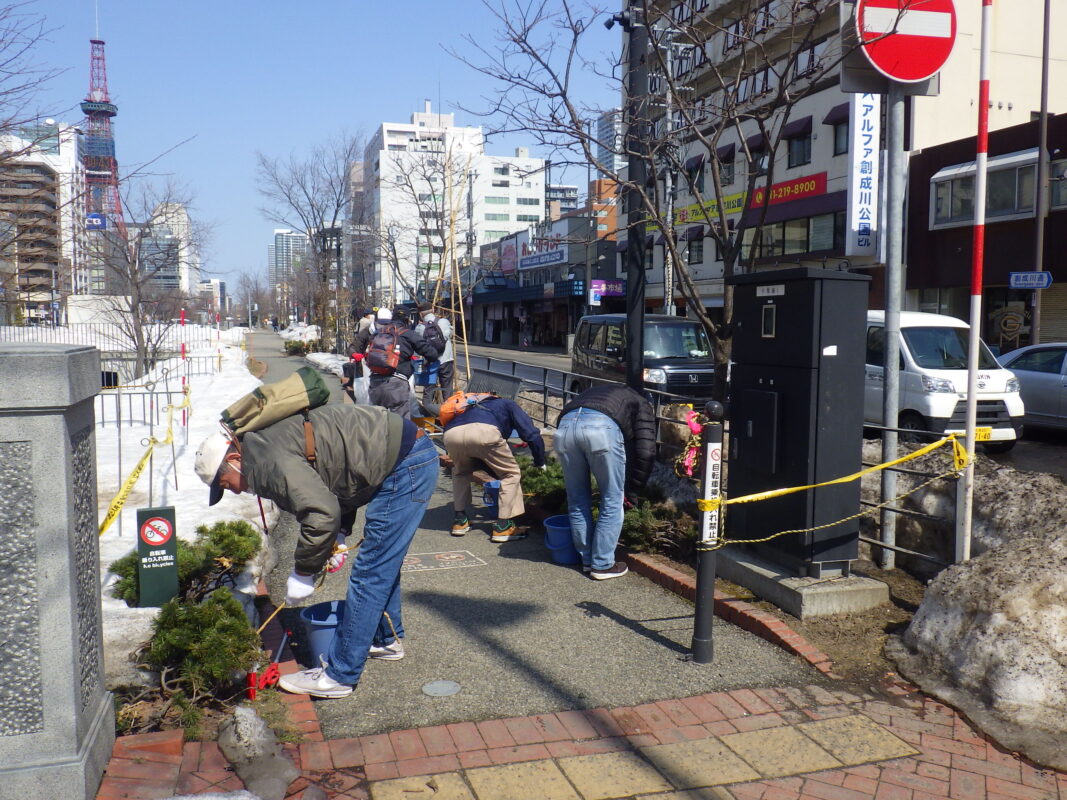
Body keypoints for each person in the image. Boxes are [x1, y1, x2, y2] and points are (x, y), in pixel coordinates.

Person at [193, 403, 438, 698]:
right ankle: (385, 639)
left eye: (225, 483)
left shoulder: (269, 461)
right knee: (382, 562)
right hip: (399, 452)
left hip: (405, 461)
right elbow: (332, 478)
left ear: (234, 459)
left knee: (371, 571)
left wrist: (303, 572)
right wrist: (341, 533)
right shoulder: (261, 450)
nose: (232, 491)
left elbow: (321, 511)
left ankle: (339, 676)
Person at [554, 385, 656, 579]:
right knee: (612, 499)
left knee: (577, 499)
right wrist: (632, 490)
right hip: (601, 427)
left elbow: (567, 412)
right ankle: (601, 565)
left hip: (565, 427)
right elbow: (646, 451)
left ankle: (586, 560)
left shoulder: (597, 392)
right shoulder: (641, 403)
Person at [438, 393, 546, 542]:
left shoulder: (467, 405)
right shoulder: (507, 403)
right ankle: (503, 527)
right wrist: (540, 461)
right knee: (510, 474)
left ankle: (460, 521)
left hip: (451, 435)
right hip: (484, 433)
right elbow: (531, 434)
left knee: (460, 472)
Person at [351, 307, 439, 419]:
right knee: (400, 424)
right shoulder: (408, 334)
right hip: (397, 384)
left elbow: (362, 346)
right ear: (407, 320)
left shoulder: (378, 333)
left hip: (375, 383)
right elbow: (431, 353)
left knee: (379, 421)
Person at [416, 302, 455, 396]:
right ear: (433, 310)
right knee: (447, 389)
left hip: (430, 362)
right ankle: (447, 409)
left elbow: (418, 345)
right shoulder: (444, 322)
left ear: (420, 314)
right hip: (446, 360)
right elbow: (451, 333)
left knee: (428, 390)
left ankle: (427, 408)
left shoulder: (419, 328)